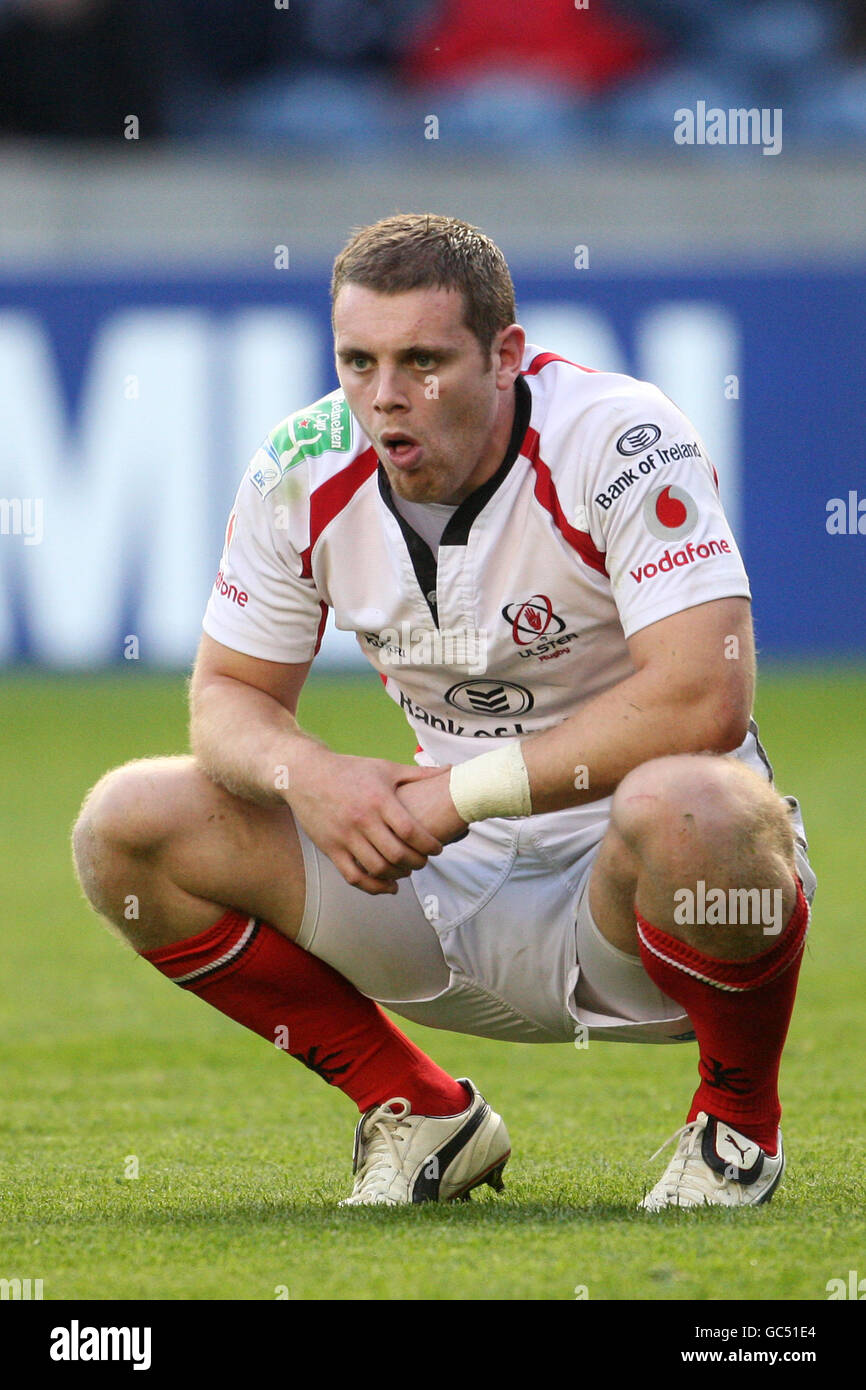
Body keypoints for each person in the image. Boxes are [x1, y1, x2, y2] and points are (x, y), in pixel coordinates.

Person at [72, 213, 816, 1209]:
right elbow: (226, 698)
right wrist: (316, 777)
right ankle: (419, 1111)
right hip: (444, 888)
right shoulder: (300, 469)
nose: (384, 397)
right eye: (357, 360)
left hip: (643, 903)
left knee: (700, 805)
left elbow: (703, 695)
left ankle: (735, 1126)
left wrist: (462, 793)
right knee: (127, 826)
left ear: (504, 355)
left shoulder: (617, 436)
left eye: (421, 360)